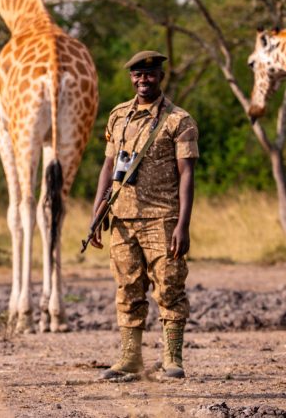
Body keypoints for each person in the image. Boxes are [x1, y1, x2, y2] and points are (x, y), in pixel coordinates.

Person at [88, 50, 199, 380]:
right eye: (137, 74)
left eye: (149, 74)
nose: (143, 80)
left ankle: (172, 358)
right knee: (127, 290)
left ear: (160, 77)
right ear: (131, 78)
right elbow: (108, 166)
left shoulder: (179, 120)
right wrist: (97, 213)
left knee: (169, 289)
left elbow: (187, 174)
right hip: (122, 219)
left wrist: (183, 224)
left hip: (162, 219)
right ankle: (130, 358)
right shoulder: (118, 116)